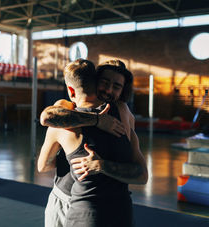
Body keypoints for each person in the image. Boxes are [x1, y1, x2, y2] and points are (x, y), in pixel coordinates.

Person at [38, 59, 147, 227]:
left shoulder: (123, 112)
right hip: (67, 196)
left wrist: (99, 164)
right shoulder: (65, 109)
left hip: (94, 204)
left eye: (116, 87)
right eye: (105, 83)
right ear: (95, 81)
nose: (109, 90)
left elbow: (44, 165)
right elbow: (47, 117)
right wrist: (96, 120)